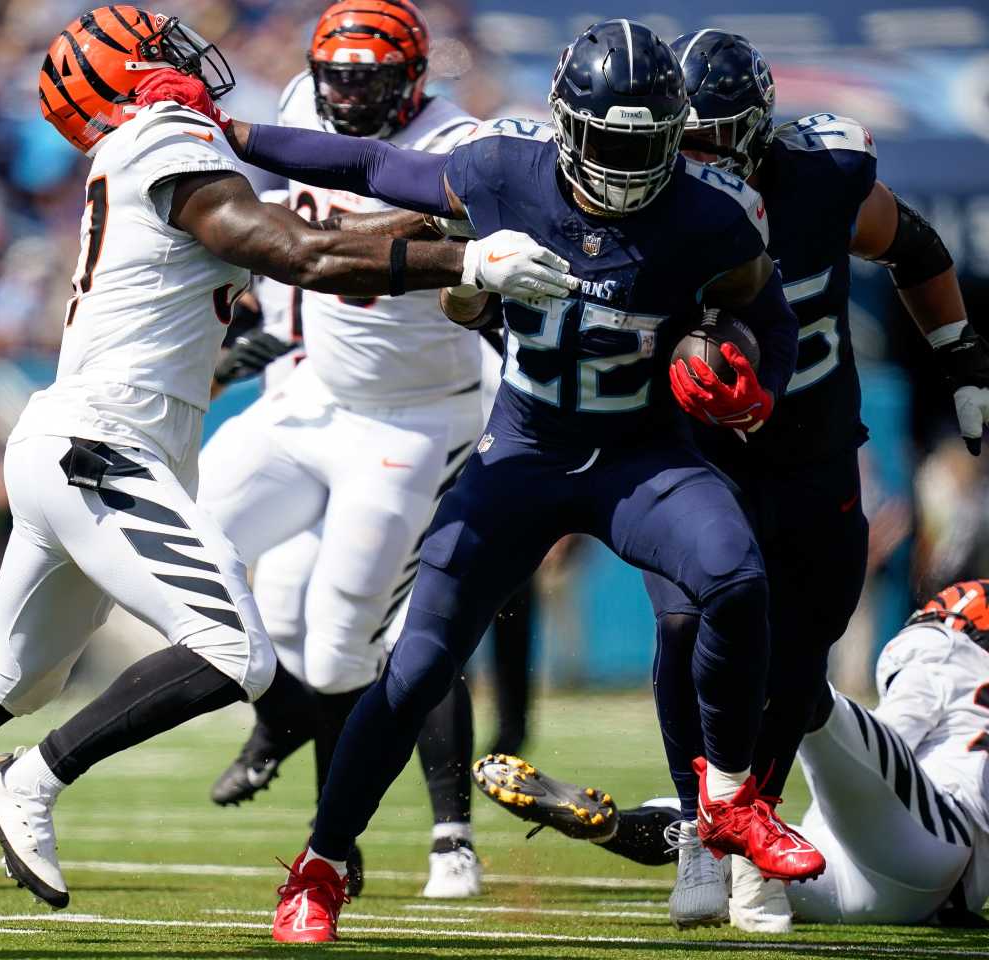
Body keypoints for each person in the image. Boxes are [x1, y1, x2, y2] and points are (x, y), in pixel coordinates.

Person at [0, 4, 575, 926]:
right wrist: (469, 262)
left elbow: (327, 251)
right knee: (234, 651)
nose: (183, 55)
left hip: (84, 440)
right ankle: (32, 782)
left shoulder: (135, 151)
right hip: (105, 448)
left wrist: (449, 262)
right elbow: (300, 249)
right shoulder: (165, 134)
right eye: (157, 47)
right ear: (130, 77)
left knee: (17, 672)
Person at [188, 16, 835, 942]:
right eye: (610, 139)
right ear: (567, 125)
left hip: (639, 455)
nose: (627, 161)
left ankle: (728, 798)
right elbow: (366, 170)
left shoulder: (710, 215)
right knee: (412, 669)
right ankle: (320, 866)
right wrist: (228, 131)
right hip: (523, 452)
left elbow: (767, 317)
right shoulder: (503, 170)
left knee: (733, 577)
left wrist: (754, 387)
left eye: (647, 143)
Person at [642, 29, 984, 928]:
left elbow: (913, 247)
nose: (701, 156)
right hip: (698, 453)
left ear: (758, 128)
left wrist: (960, 354)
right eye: (688, 138)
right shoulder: (645, 193)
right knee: (686, 625)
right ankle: (696, 828)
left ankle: (749, 827)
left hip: (811, 452)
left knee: (798, 663)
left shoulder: (821, 179)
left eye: (718, 136)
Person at [199, 0, 485, 899]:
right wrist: (267, 322)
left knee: (346, 646)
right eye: (340, 80)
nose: (351, 99)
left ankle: (395, 839)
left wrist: (325, 250)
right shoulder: (292, 100)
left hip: (418, 416)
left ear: (416, 79)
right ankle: (278, 719)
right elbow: (274, 221)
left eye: (372, 80)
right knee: (191, 554)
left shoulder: (460, 141)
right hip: (314, 390)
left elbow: (422, 237)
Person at [476, 580, 989, 930]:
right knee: (797, 696)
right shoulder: (954, 665)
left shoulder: (942, 648)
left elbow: (897, 729)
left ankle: (625, 821)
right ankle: (637, 822)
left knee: (801, 693)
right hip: (929, 871)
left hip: (874, 856)